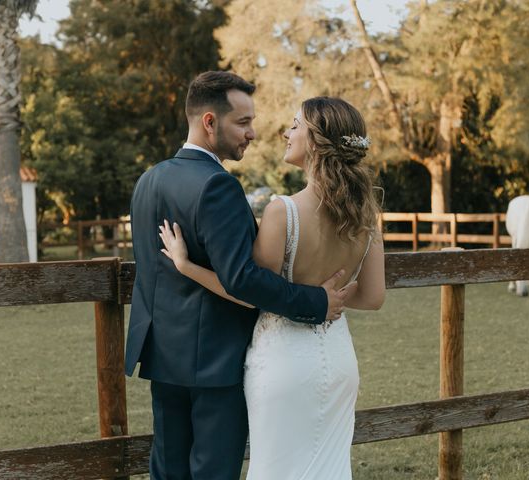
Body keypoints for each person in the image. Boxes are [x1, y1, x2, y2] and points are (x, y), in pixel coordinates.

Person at [126, 71, 351, 480]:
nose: (252, 133)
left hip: (162, 356)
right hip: (215, 360)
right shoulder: (217, 185)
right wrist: (316, 301)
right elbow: (242, 279)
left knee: (168, 472)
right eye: (243, 123)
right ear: (210, 122)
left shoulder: (148, 181)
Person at [159, 96, 386, 479]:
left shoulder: (284, 210)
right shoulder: (365, 215)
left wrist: (186, 266)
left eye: (295, 125)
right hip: (338, 359)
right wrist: (329, 299)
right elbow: (372, 297)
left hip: (283, 362)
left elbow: (248, 291)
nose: (286, 131)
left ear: (315, 141)